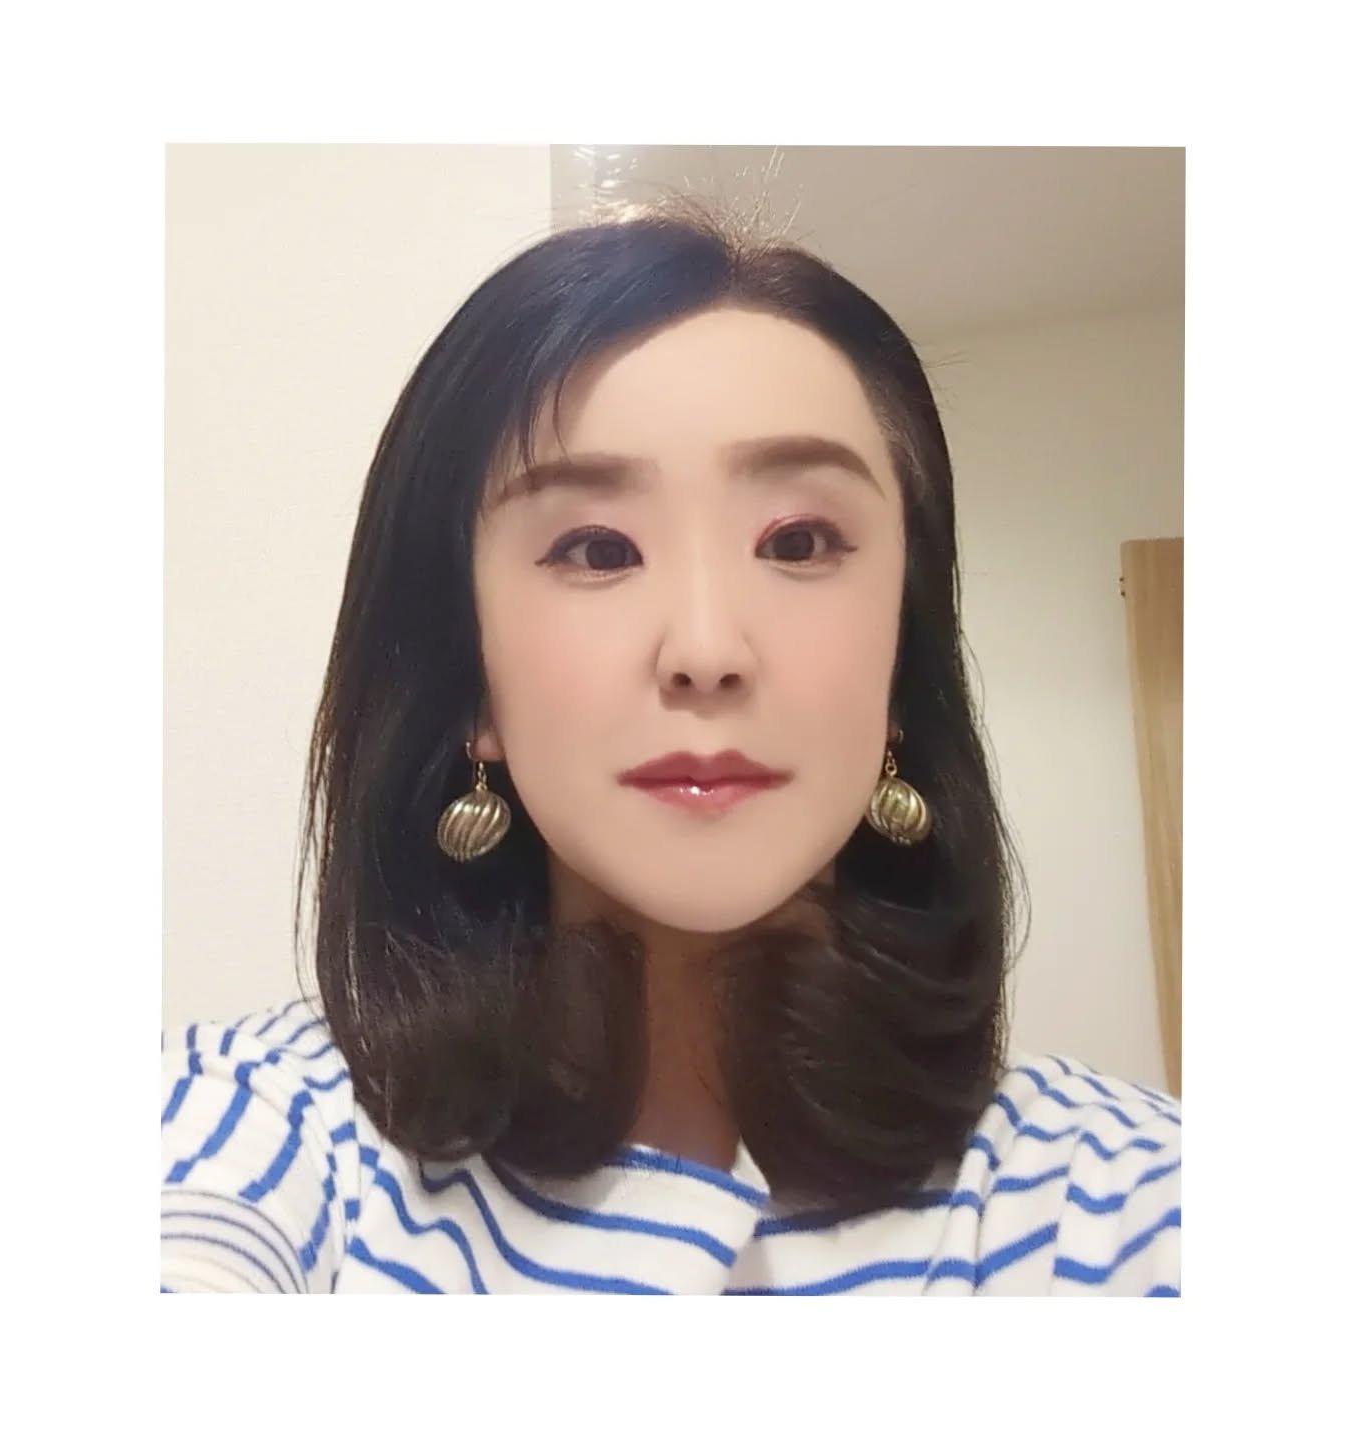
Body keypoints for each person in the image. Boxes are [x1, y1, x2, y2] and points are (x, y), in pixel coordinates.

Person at [161, 197, 1181, 1295]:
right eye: (597, 550)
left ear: (903, 657)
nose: (705, 650)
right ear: (471, 681)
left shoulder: (1121, 1197)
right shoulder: (251, 1127)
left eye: (799, 542)